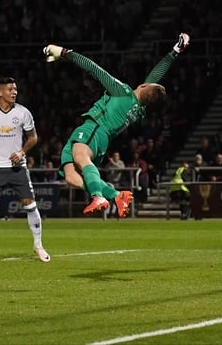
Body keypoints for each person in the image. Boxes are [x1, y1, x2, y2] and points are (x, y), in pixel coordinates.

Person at [43, 32, 190, 218]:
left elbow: (94, 69)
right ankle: (116, 195)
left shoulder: (123, 93)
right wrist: (175, 51)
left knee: (80, 156)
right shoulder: (138, 108)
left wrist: (65, 52)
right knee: (71, 176)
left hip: (94, 128)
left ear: (144, 87)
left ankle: (96, 195)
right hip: (101, 138)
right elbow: (156, 76)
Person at [0, 76, 48, 264]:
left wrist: (22, 151)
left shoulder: (23, 113)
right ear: (0, 92)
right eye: (10, 89)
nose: (14, 92)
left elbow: (33, 137)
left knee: (30, 205)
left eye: (15, 89)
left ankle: (38, 246)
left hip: (17, 168)